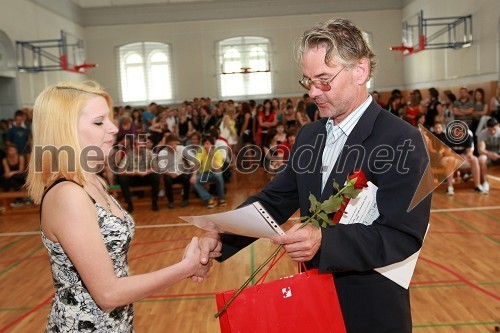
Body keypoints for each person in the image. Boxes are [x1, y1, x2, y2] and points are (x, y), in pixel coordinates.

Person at [199, 18, 431, 333]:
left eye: (323, 80)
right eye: (307, 80)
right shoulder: (311, 135)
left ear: (360, 71)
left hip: (370, 307)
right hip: (312, 301)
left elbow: (403, 236)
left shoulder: (401, 140)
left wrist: (324, 239)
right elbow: (274, 200)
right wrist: (220, 235)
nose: (312, 92)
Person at [25, 81, 210, 332]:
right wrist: (186, 267)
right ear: (65, 129)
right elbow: (108, 294)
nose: (113, 128)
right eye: (99, 122)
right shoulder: (68, 194)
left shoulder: (94, 181)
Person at [116, 135, 161, 212]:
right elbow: (120, 171)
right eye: (139, 145)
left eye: (143, 145)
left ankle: (154, 202)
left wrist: (146, 172)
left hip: (146, 177)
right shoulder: (129, 155)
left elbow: (156, 168)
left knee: (156, 175)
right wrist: (133, 172)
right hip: (134, 178)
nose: (141, 146)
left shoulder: (150, 153)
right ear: (134, 146)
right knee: (122, 178)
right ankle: (129, 203)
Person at [189, 134, 226, 209]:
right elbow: (197, 163)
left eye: (207, 143)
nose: (205, 146)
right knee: (194, 180)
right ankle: (209, 199)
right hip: (204, 173)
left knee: (218, 176)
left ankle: (221, 198)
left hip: (215, 173)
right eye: (204, 144)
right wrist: (194, 175)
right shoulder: (201, 150)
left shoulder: (218, 152)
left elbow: (217, 169)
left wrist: (211, 154)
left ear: (212, 144)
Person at [158, 134, 191, 208]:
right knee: (167, 179)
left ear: (177, 143)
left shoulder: (182, 149)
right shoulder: (162, 153)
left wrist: (189, 164)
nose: (173, 146)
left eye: (175, 144)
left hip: (181, 172)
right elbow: (162, 168)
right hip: (169, 173)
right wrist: (170, 174)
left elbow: (192, 160)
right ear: (167, 144)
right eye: (171, 144)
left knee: (186, 177)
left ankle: (185, 199)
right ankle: (170, 201)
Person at [477, 118, 500, 192]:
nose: (492, 131)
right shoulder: (483, 133)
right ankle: (485, 182)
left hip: (498, 154)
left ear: (497, 126)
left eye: (494, 129)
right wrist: (490, 154)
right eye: (490, 130)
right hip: (488, 155)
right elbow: (481, 150)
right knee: (481, 159)